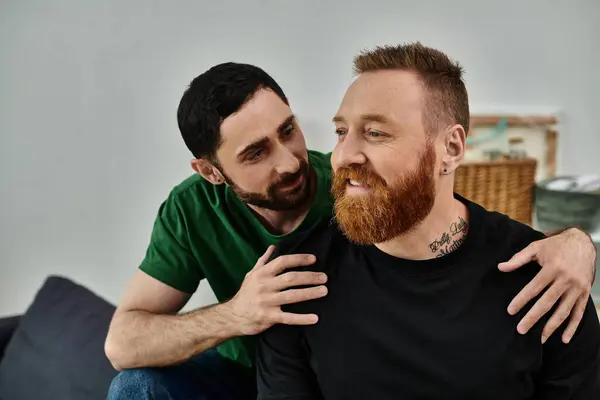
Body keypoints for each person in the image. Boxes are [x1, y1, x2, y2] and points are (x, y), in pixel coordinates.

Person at [105, 59, 598, 399]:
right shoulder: (193, 211)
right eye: (255, 153)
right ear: (211, 172)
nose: (290, 161)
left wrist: (574, 241)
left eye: (288, 131)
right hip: (250, 376)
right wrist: (238, 313)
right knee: (137, 388)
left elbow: (442, 214)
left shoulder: (354, 183)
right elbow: (123, 343)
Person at [255, 42, 600, 399]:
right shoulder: (294, 279)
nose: (343, 155)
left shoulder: (547, 280)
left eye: (375, 133)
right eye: (342, 131)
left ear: (450, 149)